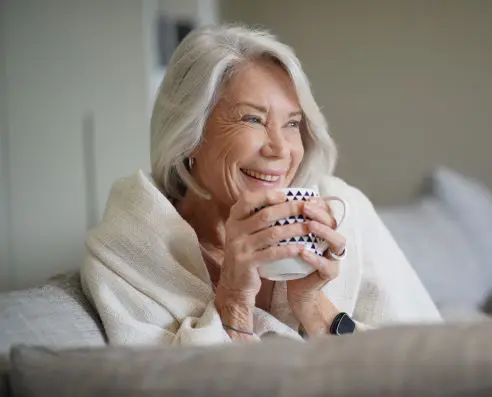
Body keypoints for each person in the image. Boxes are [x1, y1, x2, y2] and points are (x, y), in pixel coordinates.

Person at [81, 25, 442, 346]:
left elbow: (431, 365)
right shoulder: (129, 252)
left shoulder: (345, 213)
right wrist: (234, 304)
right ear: (189, 136)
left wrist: (315, 309)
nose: (281, 149)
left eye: (292, 124)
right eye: (253, 119)